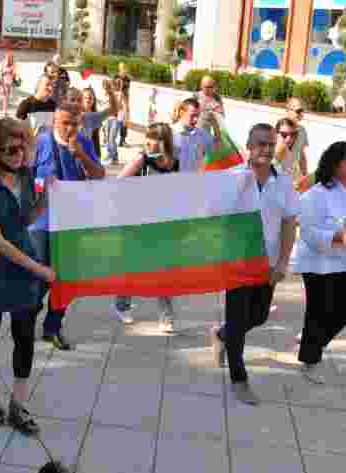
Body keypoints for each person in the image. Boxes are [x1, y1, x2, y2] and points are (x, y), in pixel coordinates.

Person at [0, 118, 53, 433]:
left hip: (22, 266)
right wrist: (40, 269)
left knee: (24, 335)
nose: (19, 155)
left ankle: (19, 404)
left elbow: (24, 218)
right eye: (11, 150)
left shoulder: (26, 177)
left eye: (22, 148)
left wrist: (46, 198)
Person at [210, 123, 299, 404]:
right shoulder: (233, 178)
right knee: (238, 320)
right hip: (237, 262)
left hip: (268, 262)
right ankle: (239, 379)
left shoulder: (283, 181)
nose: (267, 149)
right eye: (261, 143)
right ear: (249, 147)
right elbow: (214, 217)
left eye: (271, 144)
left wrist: (283, 262)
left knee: (259, 316)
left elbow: (289, 222)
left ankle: (223, 335)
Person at [291, 141, 346, 384]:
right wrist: (336, 237)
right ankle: (310, 359)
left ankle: (312, 343)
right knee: (319, 311)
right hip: (319, 263)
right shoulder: (316, 194)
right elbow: (307, 232)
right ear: (335, 164)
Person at [30, 102, 105, 350]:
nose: (70, 128)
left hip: (72, 223)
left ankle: (52, 327)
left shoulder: (84, 143)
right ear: (54, 121)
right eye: (65, 123)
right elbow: (24, 177)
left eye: (75, 123)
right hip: (41, 223)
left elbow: (99, 174)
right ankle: (28, 312)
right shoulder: (40, 143)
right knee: (41, 275)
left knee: (65, 278)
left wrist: (81, 155)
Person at [113, 123, 180, 332]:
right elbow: (118, 182)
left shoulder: (175, 162)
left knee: (164, 270)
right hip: (137, 223)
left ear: (164, 141)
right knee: (131, 267)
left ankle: (166, 317)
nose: (148, 142)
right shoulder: (141, 159)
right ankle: (122, 305)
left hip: (163, 224)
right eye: (148, 137)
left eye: (153, 138)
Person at [173, 97, 217, 174]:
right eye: (192, 115)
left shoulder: (202, 134)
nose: (196, 120)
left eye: (198, 116)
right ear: (182, 113)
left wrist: (215, 125)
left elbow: (218, 146)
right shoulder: (169, 133)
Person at [116, 63, 132, 146]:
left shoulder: (127, 78)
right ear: (119, 68)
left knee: (125, 121)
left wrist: (127, 104)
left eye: (124, 68)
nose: (124, 70)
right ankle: (113, 138)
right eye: (122, 68)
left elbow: (127, 90)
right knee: (118, 121)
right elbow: (117, 89)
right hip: (119, 101)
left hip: (125, 100)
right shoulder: (116, 77)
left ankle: (122, 140)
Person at [0, 51, 18, 116]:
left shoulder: (13, 64)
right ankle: (4, 110)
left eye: (11, 57)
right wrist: (5, 72)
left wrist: (14, 76)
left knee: (7, 97)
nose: (9, 59)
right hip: (4, 82)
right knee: (5, 97)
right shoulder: (2, 64)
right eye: (8, 57)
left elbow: (15, 73)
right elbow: (0, 74)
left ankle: (5, 109)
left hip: (10, 82)